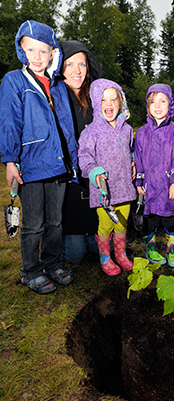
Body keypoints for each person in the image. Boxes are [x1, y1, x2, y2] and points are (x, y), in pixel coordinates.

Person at [0, 20, 78, 294]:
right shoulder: (14, 81)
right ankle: (30, 271)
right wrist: (10, 160)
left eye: (43, 51)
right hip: (30, 167)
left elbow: (67, 127)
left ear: (52, 53)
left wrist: (73, 166)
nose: (37, 57)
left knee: (55, 222)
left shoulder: (58, 85)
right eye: (30, 50)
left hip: (57, 166)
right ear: (21, 51)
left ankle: (52, 263)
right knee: (33, 225)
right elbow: (9, 122)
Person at [78, 78, 136, 276]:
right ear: (96, 102)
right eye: (103, 100)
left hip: (124, 186)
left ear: (121, 102)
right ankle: (105, 257)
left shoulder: (127, 130)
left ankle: (120, 254)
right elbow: (84, 156)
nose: (109, 104)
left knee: (122, 222)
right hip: (104, 189)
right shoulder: (91, 132)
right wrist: (93, 170)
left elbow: (130, 150)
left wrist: (133, 161)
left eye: (113, 99)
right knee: (105, 224)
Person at [59, 40, 102, 264]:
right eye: (70, 64)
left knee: (98, 250)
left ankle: (91, 234)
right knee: (75, 256)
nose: (77, 71)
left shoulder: (96, 99)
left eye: (82, 65)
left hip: (94, 178)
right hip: (70, 181)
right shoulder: (55, 98)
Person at [134, 84, 174, 267]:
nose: (158, 106)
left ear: (170, 104)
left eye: (163, 101)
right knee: (150, 218)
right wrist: (139, 181)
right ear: (148, 106)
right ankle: (151, 247)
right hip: (150, 185)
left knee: (171, 218)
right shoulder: (142, 133)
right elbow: (138, 158)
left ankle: (171, 247)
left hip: (169, 184)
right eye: (153, 102)